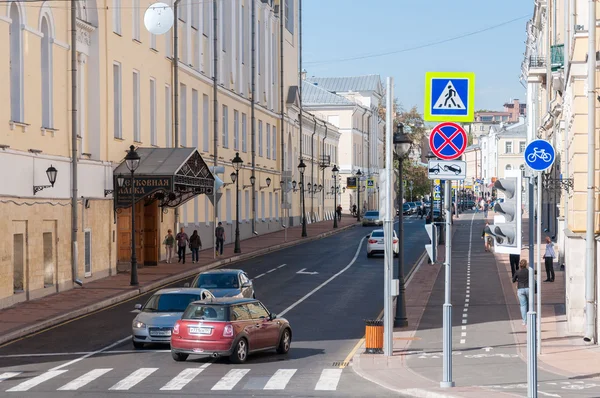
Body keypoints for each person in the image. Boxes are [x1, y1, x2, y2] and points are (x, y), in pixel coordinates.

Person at [513, 259, 530, 326]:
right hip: (528, 288)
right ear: (526, 264)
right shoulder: (528, 271)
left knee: (523, 305)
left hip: (520, 289)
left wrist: (517, 279)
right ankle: (529, 319)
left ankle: (524, 321)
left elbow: (513, 280)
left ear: (520, 265)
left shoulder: (517, 272)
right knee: (529, 304)